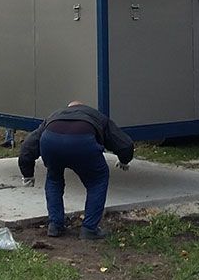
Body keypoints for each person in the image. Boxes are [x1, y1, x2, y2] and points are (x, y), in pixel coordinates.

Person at [18, 101, 134, 240]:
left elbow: (29, 145)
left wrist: (28, 174)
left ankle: (55, 225)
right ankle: (89, 229)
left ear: (69, 108)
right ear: (83, 107)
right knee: (97, 181)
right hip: (82, 142)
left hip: (51, 142)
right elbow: (125, 143)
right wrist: (124, 160)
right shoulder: (96, 115)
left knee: (54, 178)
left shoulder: (54, 116)